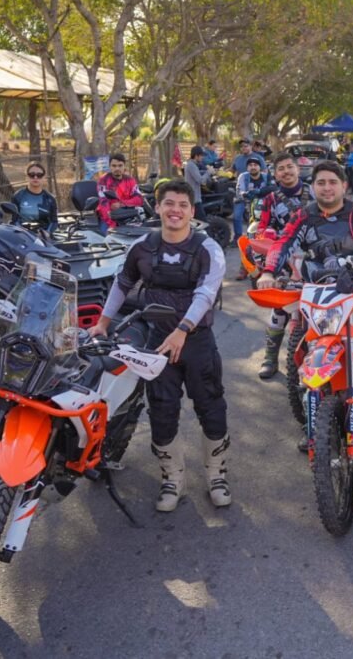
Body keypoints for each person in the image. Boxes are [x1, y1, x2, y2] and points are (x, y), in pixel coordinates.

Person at [89, 179, 229, 512]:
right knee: (162, 411)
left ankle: (216, 475)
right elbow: (122, 284)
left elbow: (206, 294)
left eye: (182, 205)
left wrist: (182, 330)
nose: (175, 210)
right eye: (169, 203)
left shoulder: (208, 249)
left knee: (211, 407)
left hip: (196, 341)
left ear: (192, 211)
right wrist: (103, 323)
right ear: (159, 207)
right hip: (157, 343)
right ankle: (172, 479)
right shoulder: (142, 246)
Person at [257, 161, 353, 428]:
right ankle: (303, 393)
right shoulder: (303, 215)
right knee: (291, 324)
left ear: (344, 185)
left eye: (333, 182)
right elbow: (283, 243)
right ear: (312, 187)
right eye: (321, 183)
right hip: (315, 293)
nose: (327, 188)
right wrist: (268, 272)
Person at [254, 152, 315, 379]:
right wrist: (267, 238)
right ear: (275, 174)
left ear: (298, 169)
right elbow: (262, 228)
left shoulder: (316, 191)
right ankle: (270, 357)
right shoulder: (270, 199)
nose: (286, 172)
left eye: (290, 167)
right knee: (279, 309)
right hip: (283, 260)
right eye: (281, 168)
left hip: (317, 259)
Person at [234, 157, 274, 275]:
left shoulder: (266, 176)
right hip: (251, 210)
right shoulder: (243, 177)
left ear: (260, 167)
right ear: (247, 168)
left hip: (268, 209)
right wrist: (245, 194)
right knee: (249, 239)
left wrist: (260, 192)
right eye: (250, 165)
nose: (253, 167)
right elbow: (239, 190)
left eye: (255, 165)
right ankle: (244, 267)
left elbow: (274, 188)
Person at [96, 153, 144, 230]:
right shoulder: (103, 181)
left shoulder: (130, 180)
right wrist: (112, 225)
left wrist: (121, 204)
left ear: (124, 166)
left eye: (120, 165)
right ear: (110, 166)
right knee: (106, 236)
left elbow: (139, 199)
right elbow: (103, 204)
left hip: (128, 217)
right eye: (114, 166)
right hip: (108, 218)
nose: (117, 168)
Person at [9, 162, 59, 235]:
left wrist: (47, 233)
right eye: (32, 175)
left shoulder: (50, 199)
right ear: (27, 177)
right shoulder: (18, 196)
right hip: (23, 236)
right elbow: (14, 221)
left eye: (39, 175)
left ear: (44, 177)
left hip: (44, 237)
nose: (35, 177)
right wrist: (22, 232)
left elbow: (54, 222)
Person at [183, 146, 211, 221]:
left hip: (195, 198)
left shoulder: (193, 165)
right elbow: (200, 180)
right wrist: (209, 172)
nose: (202, 157)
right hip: (194, 200)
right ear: (196, 156)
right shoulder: (191, 165)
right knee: (203, 222)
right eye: (201, 155)